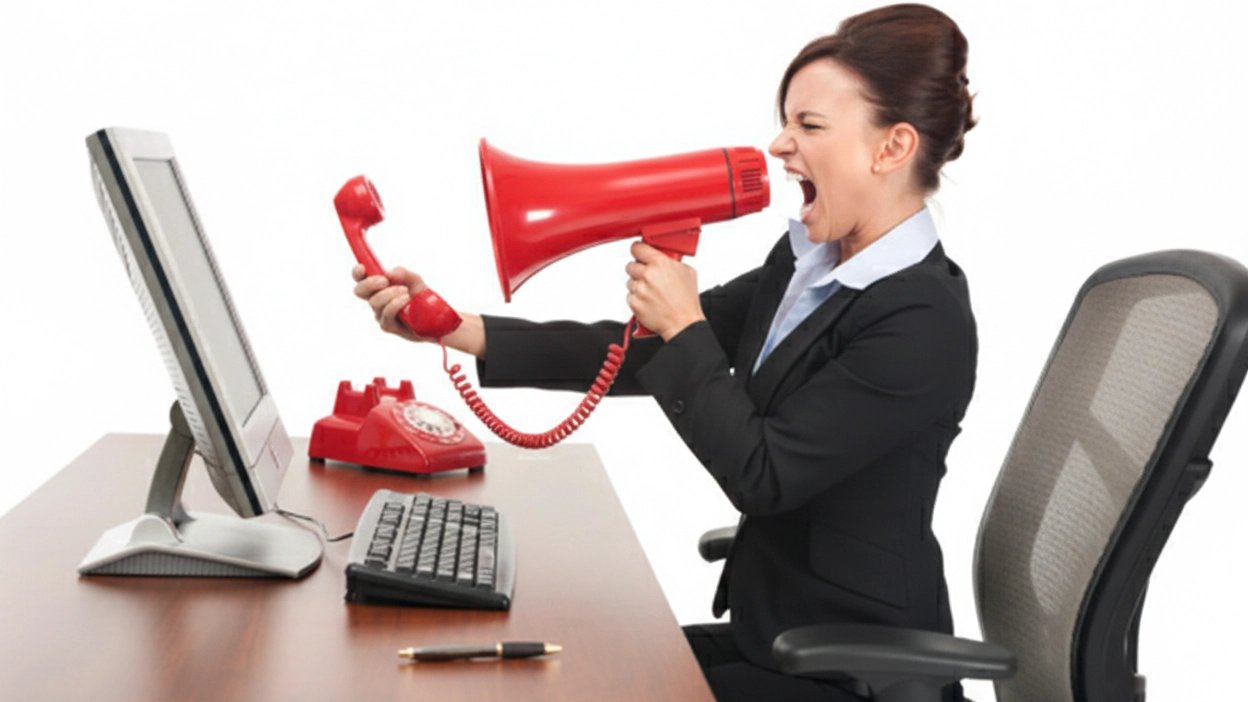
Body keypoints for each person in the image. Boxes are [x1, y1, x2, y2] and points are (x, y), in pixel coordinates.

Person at [353, 4, 977, 700]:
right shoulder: (811, 265)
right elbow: (646, 353)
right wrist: (461, 328)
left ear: (891, 148)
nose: (779, 144)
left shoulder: (922, 319)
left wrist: (685, 326)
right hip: (779, 634)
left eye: (809, 126)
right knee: (571, 671)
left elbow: (763, 474)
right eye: (785, 120)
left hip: (855, 668)